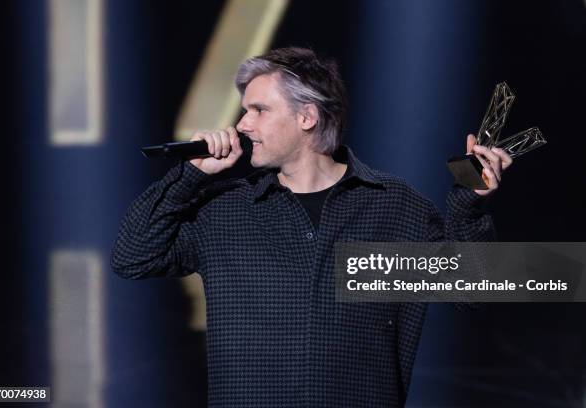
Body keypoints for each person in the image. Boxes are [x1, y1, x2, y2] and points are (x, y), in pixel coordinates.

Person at [111, 47, 512, 407]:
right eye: (244, 110)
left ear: (307, 116)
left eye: (259, 110)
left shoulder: (394, 208)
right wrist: (191, 175)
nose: (243, 125)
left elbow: (472, 292)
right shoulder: (224, 211)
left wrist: (469, 204)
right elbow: (132, 257)